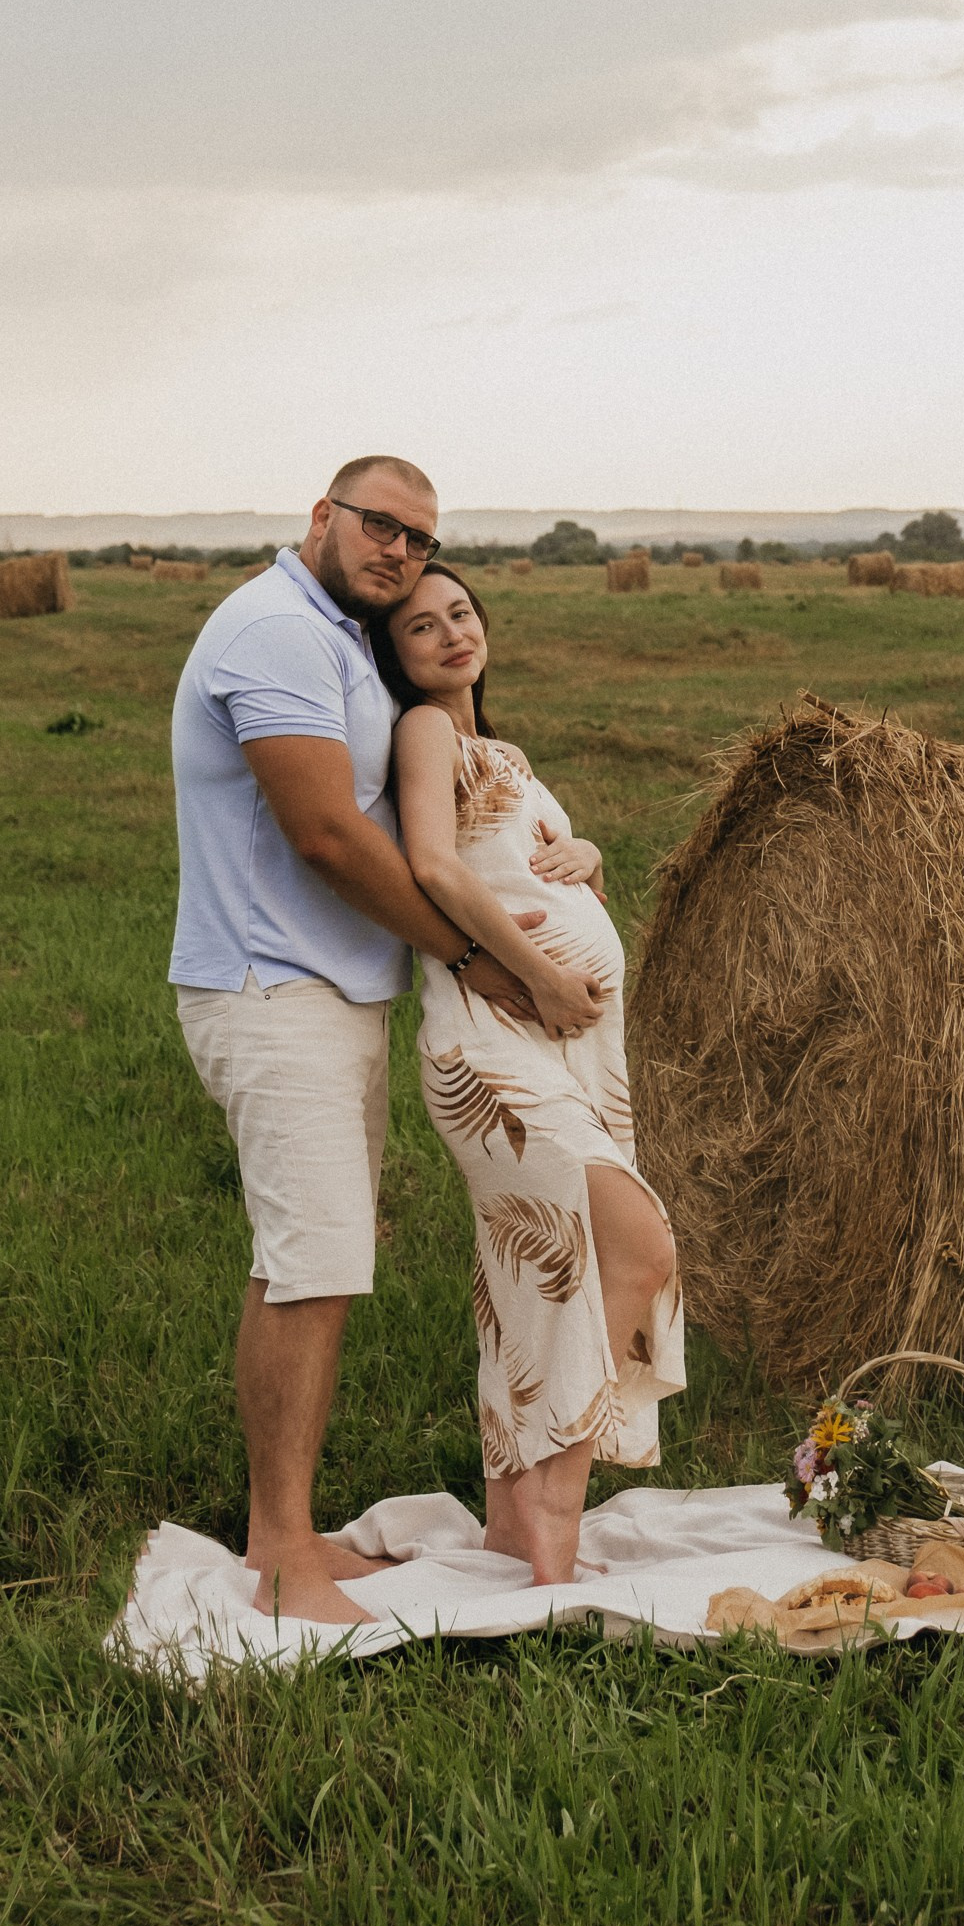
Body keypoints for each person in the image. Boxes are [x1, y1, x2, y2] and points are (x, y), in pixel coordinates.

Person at [169, 456, 606, 1627]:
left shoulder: (334, 638)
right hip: (272, 991)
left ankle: (283, 1539)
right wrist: (474, 960)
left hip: (330, 996)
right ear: (321, 515)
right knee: (310, 1268)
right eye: (378, 525)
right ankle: (279, 1564)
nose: (398, 550)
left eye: (418, 537)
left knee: (316, 1260)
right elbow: (321, 833)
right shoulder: (273, 629)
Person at [373, 564, 684, 1586]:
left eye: (459, 613)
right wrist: (542, 972)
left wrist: (585, 851)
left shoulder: (497, 748)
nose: (450, 634)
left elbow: (519, 856)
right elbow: (434, 865)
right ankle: (554, 1516)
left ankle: (515, 1519)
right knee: (628, 1245)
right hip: (491, 1048)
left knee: (531, 1281)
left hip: (547, 1051)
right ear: (399, 653)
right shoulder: (424, 731)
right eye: (421, 626)